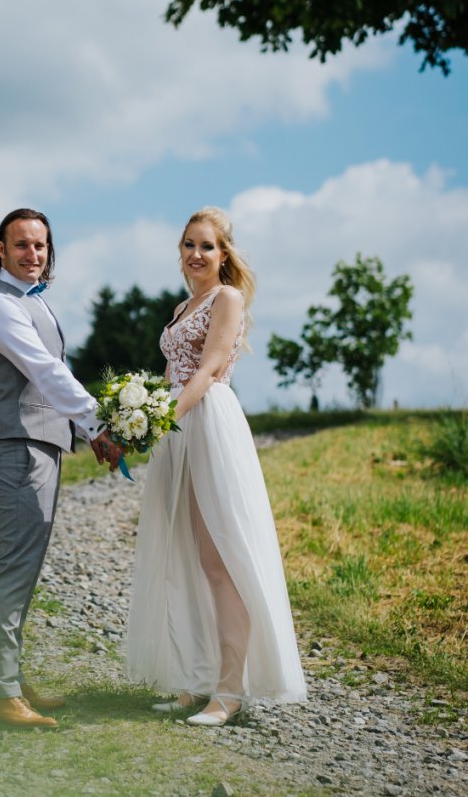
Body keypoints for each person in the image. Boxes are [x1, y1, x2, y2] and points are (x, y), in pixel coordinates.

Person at [126, 206, 306, 725]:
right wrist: (140, 417)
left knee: (219, 559)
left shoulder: (227, 299)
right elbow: (170, 373)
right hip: (179, 429)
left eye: (207, 246)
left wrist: (165, 418)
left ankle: (229, 691)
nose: (196, 254)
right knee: (185, 556)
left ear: (223, 254)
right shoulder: (182, 307)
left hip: (208, 423)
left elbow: (207, 369)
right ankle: (197, 679)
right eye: (189, 244)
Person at [0, 207, 123, 729]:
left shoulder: (32, 301)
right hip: (17, 449)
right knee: (14, 566)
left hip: (40, 446)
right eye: (22, 245)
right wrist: (97, 424)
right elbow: (45, 371)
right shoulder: (0, 306)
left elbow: (53, 372)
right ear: (1, 249)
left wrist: (83, 429)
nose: (33, 254)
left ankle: (10, 678)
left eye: (40, 245)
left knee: (27, 566)